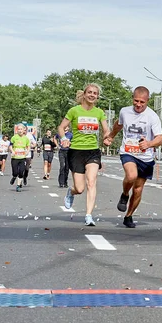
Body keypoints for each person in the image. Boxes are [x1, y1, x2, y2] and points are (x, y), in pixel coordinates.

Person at [103, 86, 162, 228]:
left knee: (138, 189)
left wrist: (149, 144)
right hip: (128, 151)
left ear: (148, 101)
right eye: (136, 101)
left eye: (142, 102)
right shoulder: (125, 111)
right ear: (132, 98)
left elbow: (160, 138)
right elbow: (119, 124)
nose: (138, 105)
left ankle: (128, 216)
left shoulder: (152, 116)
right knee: (131, 176)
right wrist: (111, 136)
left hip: (145, 157)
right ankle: (124, 194)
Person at [57, 83, 110, 226]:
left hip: (92, 151)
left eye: (95, 93)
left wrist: (106, 137)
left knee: (91, 182)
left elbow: (106, 129)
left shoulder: (99, 112)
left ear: (97, 96)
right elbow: (61, 127)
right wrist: (64, 139)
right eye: (90, 92)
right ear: (85, 94)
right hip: (76, 151)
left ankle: (88, 215)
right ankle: (71, 192)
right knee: (79, 189)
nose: (92, 95)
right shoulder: (74, 111)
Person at [9, 124, 31, 192]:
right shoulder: (14, 137)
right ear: (17, 130)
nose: (20, 131)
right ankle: (14, 177)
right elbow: (10, 146)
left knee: (21, 172)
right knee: (15, 172)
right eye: (19, 129)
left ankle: (18, 186)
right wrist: (12, 151)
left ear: (24, 130)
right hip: (15, 157)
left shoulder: (26, 138)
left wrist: (27, 151)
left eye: (21, 129)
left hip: (22, 158)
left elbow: (28, 146)